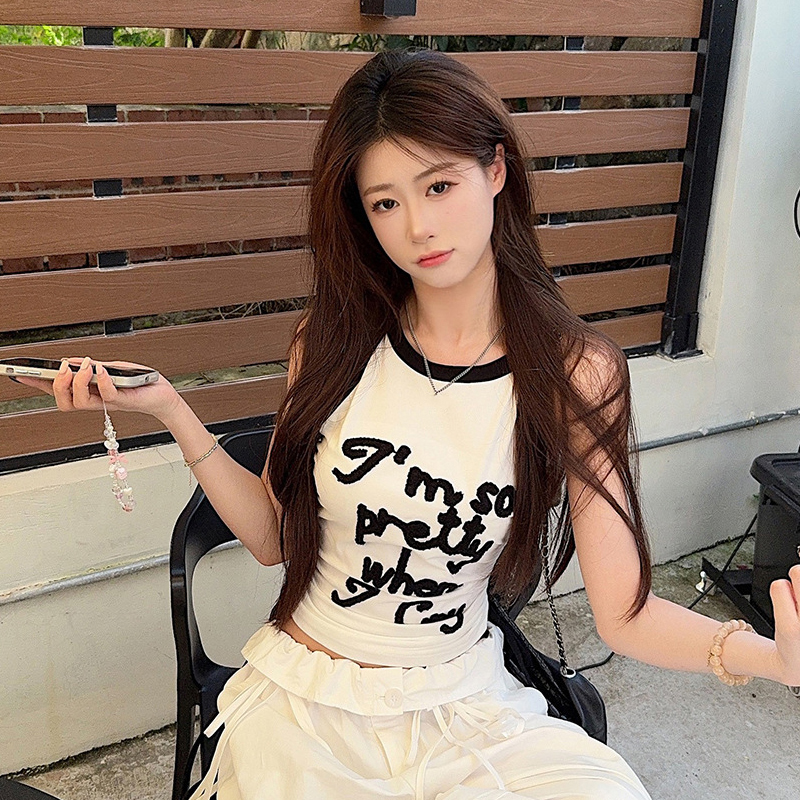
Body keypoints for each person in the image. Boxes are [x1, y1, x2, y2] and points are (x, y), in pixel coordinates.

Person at [13, 48, 800, 800]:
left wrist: (769, 657)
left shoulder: (576, 374)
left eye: (439, 186)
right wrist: (170, 408)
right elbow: (274, 539)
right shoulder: (331, 342)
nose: (418, 226)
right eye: (385, 202)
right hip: (310, 707)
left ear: (496, 170)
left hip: (463, 707)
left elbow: (625, 615)